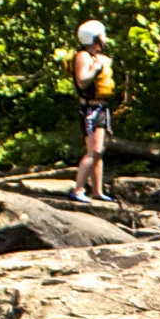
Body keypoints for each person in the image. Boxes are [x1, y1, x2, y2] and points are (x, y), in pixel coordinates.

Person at [69, 20, 116, 203]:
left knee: (100, 151)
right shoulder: (83, 56)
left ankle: (97, 191)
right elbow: (82, 80)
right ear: (94, 38)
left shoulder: (97, 56)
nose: (105, 39)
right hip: (89, 108)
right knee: (93, 150)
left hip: (101, 108)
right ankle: (78, 189)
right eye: (102, 36)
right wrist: (96, 68)